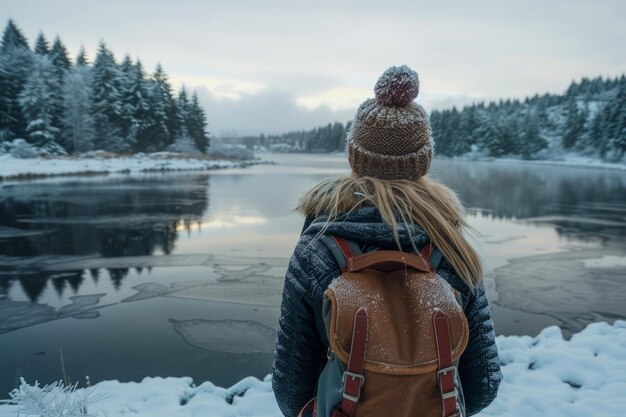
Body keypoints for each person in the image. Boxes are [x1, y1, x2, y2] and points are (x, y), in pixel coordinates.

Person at [272, 65, 502, 417]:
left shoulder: (316, 248)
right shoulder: (452, 246)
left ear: (354, 156)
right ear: (423, 161)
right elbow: (482, 384)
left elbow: (291, 392)